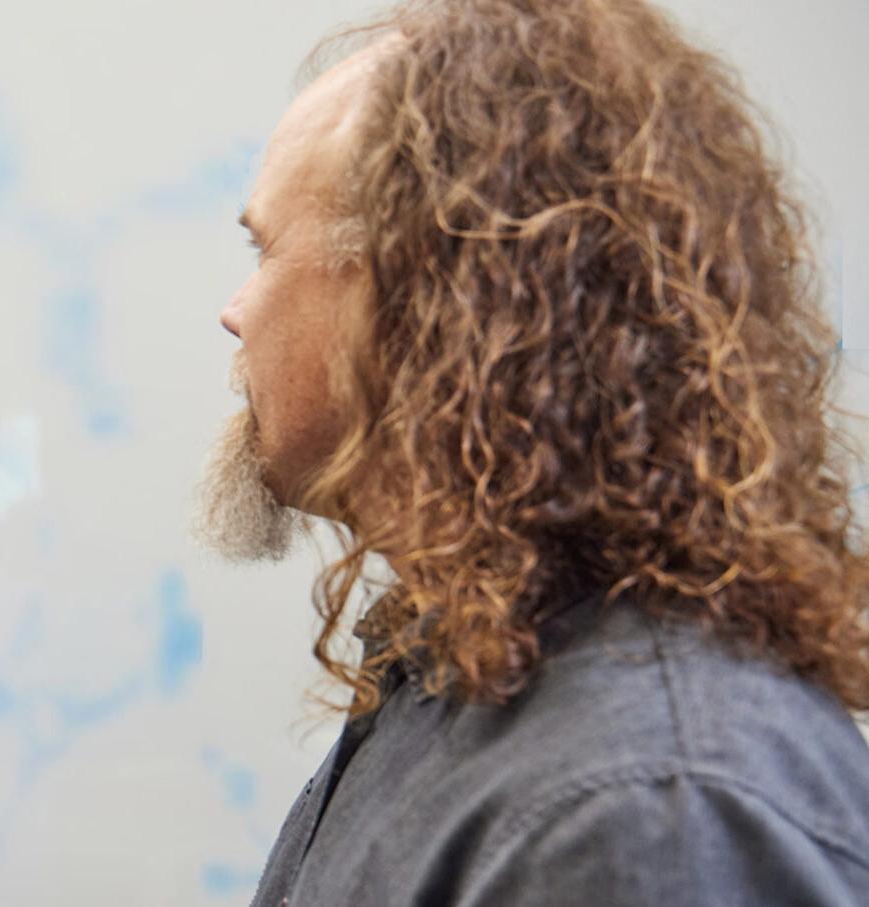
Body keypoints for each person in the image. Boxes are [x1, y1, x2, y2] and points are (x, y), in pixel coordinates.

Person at [195, 0, 869, 903]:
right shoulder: (472, 672)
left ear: (413, 302)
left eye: (266, 248)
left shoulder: (648, 806)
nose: (234, 310)